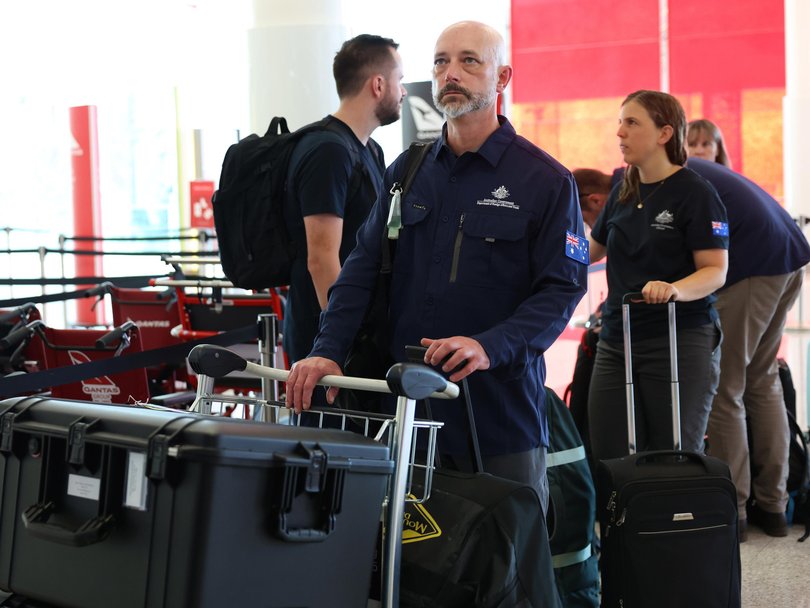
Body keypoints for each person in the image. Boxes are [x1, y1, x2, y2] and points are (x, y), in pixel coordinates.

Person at [285, 20, 588, 515]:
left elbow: (561, 290)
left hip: (497, 413)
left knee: (505, 566)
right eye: (442, 61)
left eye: (470, 61)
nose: (451, 73)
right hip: (406, 409)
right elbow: (361, 270)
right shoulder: (406, 171)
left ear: (502, 77)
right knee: (408, 563)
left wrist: (490, 345)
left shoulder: (545, 181)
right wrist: (327, 350)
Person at [587, 90, 729, 464]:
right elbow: (590, 251)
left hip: (677, 339)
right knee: (608, 454)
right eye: (620, 122)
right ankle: (619, 523)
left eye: (632, 123)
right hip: (618, 339)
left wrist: (674, 290)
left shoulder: (696, 193)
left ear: (665, 133)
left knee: (674, 457)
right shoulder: (623, 188)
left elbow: (716, 270)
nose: (620, 132)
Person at [685, 158, 810, 540]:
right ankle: (773, 507)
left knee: (727, 387)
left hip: (755, 263)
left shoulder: (644, 180)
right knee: (762, 377)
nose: (622, 135)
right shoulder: (686, 165)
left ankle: (734, 510)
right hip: (788, 253)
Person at [282, 34, 406, 367]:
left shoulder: (369, 150)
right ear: (378, 85)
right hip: (327, 340)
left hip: (358, 329)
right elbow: (321, 259)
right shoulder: (328, 151)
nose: (404, 92)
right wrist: (338, 341)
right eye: (400, 81)